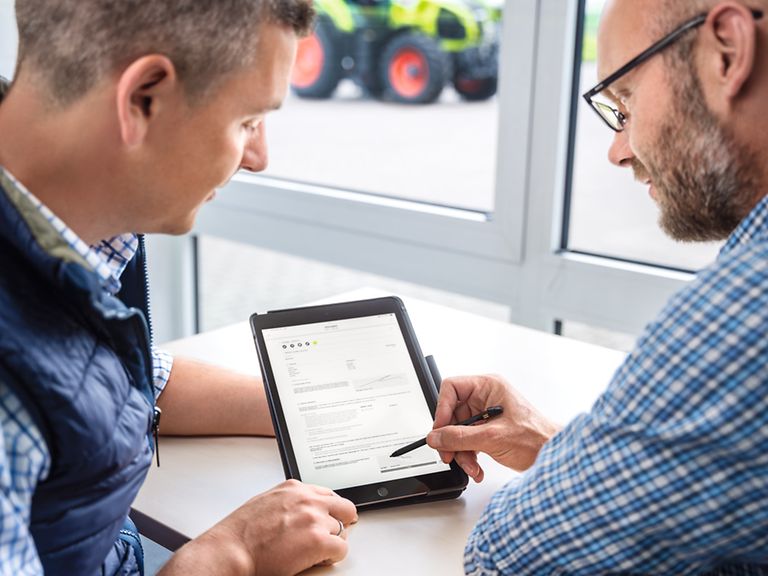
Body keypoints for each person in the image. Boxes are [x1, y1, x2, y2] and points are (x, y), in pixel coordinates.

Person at [0, 2, 357, 575]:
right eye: (247, 122)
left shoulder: (54, 229)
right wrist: (234, 553)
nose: (260, 158)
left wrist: (311, 408)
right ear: (144, 97)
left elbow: (92, 374)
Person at [425, 0, 768, 573]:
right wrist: (561, 451)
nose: (618, 150)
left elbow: (515, 556)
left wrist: (573, 474)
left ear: (728, 51)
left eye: (627, 102)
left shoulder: (746, 312)